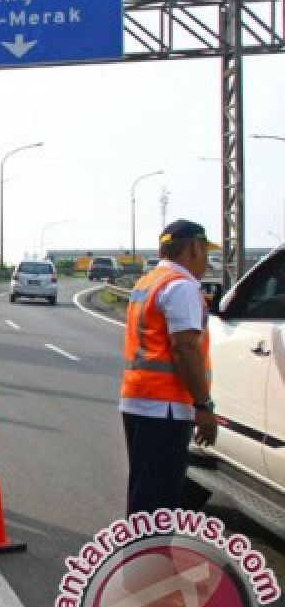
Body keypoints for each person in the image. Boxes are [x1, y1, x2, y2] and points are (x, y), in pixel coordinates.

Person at [120, 219, 219, 515]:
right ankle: (148, 559)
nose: (207, 262)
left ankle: (141, 557)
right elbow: (185, 347)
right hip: (167, 407)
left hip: (139, 400)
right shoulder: (182, 287)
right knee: (157, 502)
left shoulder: (147, 282)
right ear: (192, 249)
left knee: (145, 493)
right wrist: (203, 405)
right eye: (205, 252)